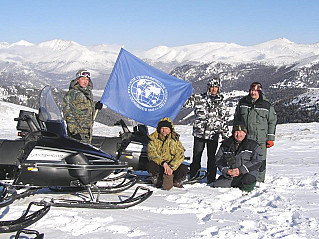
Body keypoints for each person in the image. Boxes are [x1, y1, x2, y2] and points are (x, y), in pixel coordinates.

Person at [184, 76, 229, 184]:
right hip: (199, 134)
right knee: (197, 156)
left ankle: (211, 178)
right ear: (208, 87)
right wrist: (181, 92)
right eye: (212, 87)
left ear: (219, 88)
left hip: (213, 134)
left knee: (212, 158)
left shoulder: (221, 103)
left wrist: (226, 136)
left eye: (216, 87)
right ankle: (194, 176)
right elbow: (185, 104)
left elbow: (224, 120)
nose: (213, 89)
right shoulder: (199, 98)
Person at [233, 82, 277, 183]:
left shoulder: (266, 105)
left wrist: (270, 138)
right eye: (252, 90)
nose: (253, 93)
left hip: (261, 138)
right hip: (245, 138)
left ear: (259, 92)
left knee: (261, 160)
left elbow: (272, 121)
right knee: (244, 159)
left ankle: (260, 180)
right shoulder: (243, 102)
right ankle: (244, 178)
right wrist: (236, 133)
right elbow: (237, 118)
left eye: (255, 91)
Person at [213, 123, 262, 192]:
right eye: (236, 132)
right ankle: (237, 182)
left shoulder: (253, 145)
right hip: (232, 173)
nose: (239, 135)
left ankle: (246, 185)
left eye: (241, 132)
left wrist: (241, 170)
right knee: (217, 184)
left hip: (247, 173)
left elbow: (257, 161)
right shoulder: (226, 144)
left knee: (248, 180)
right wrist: (226, 170)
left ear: (245, 133)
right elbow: (218, 159)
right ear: (233, 133)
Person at [62, 69, 103, 144]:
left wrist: (96, 105)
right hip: (77, 134)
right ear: (77, 80)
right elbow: (68, 114)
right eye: (83, 79)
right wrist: (74, 132)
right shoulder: (71, 94)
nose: (85, 81)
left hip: (87, 132)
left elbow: (86, 107)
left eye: (87, 79)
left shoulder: (88, 93)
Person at [147, 117, 188, 190]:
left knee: (183, 168)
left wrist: (171, 167)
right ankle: (157, 180)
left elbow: (180, 155)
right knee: (151, 164)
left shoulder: (175, 141)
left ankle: (176, 181)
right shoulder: (153, 140)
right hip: (160, 166)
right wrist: (164, 164)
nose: (164, 130)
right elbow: (152, 154)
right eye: (162, 128)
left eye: (166, 128)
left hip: (172, 167)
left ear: (170, 130)